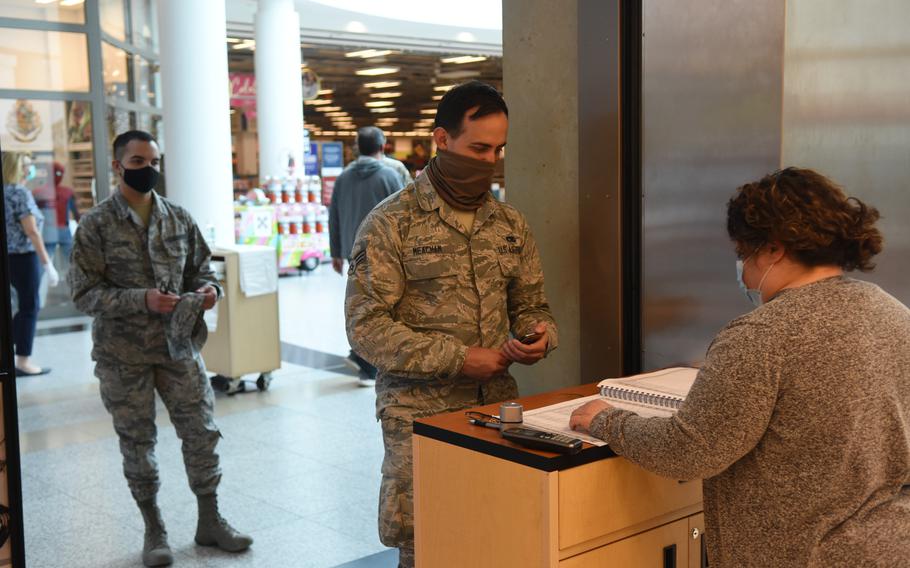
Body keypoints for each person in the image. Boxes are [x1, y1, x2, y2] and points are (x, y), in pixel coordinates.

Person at [570, 168, 910, 567]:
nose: (743, 269)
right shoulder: (892, 313)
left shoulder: (762, 335)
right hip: (889, 545)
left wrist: (606, 420)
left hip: (801, 553)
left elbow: (690, 451)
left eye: (742, 253)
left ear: (773, 249)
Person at [345, 81, 559, 568]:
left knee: (496, 532)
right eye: (478, 147)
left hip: (496, 411)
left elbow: (533, 304)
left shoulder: (509, 224)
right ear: (441, 140)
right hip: (420, 418)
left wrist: (539, 335)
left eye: (498, 150)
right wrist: (458, 358)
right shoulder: (390, 224)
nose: (489, 160)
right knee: (429, 544)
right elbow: (365, 328)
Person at [68, 130, 252, 567]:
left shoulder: (178, 218)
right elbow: (83, 294)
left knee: (202, 432)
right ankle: (155, 529)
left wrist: (207, 290)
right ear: (118, 167)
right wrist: (141, 299)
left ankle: (210, 519)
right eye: (136, 161)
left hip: (179, 347)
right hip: (122, 355)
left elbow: (202, 270)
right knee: (138, 441)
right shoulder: (96, 225)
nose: (147, 168)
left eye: (153, 160)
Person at [330, 126, 402, 386]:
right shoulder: (390, 176)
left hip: (353, 252)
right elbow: (404, 215)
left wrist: (336, 251)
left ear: (357, 148)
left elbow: (334, 214)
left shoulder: (343, 177)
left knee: (362, 306)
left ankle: (360, 355)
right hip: (386, 253)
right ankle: (368, 363)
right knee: (384, 309)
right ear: (383, 148)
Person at [2, 151, 59, 376]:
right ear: (16, 167)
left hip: (7, 256)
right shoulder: (19, 192)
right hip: (24, 257)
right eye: (26, 164)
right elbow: (32, 231)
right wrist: (47, 264)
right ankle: (23, 361)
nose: (29, 168)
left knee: (19, 306)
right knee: (30, 306)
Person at [51, 161, 80, 265]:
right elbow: (76, 213)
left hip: (48, 231)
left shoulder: (39, 192)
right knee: (70, 263)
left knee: (47, 263)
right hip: (63, 229)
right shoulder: (67, 192)